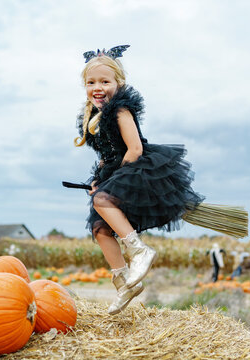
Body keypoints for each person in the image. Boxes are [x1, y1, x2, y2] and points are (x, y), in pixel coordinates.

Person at [73, 45, 204, 315]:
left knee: (102, 200)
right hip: (116, 171)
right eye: (91, 82)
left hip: (139, 169)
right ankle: (124, 282)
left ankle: (140, 251)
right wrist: (99, 179)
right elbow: (105, 157)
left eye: (105, 81)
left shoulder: (120, 111)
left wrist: (111, 184)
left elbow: (134, 149)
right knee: (100, 228)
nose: (98, 87)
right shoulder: (94, 119)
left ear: (119, 83)